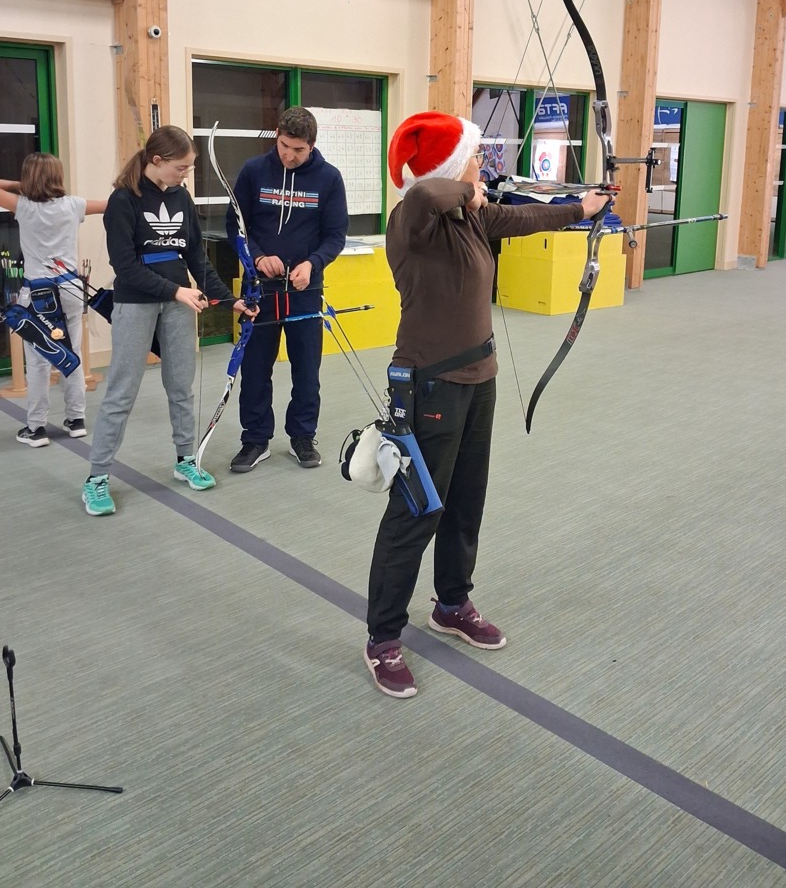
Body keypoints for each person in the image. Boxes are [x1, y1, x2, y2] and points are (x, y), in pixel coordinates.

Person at [364, 111, 604, 698]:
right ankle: (383, 638)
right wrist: (468, 189)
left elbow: (522, 216)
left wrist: (582, 207)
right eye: (473, 157)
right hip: (430, 384)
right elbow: (426, 192)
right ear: (450, 168)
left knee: (466, 501)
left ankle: (452, 603)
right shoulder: (414, 219)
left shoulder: (471, 216)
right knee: (418, 509)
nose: (481, 166)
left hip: (480, 379)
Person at [81, 126, 256, 517]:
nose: (186, 174)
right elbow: (125, 267)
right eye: (181, 167)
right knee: (121, 392)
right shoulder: (123, 200)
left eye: (190, 167)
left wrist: (230, 300)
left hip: (178, 303)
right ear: (156, 161)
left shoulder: (181, 197)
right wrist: (177, 291)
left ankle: (185, 459)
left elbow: (196, 257)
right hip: (136, 303)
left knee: (181, 386)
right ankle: (96, 477)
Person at [225, 106, 347, 473]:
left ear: (313, 145)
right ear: (276, 135)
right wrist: (258, 257)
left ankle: (302, 436)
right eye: (283, 146)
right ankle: (255, 439)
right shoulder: (253, 171)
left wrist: (314, 263)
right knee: (255, 368)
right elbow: (235, 227)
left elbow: (335, 235)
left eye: (298, 150)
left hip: (305, 290)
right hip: (259, 289)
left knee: (307, 369)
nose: (289, 156)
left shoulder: (329, 178)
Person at [0, 155, 107, 447]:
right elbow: (110, 204)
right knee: (71, 352)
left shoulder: (23, 206)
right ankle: (76, 421)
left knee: (38, 361)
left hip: (38, 293)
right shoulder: (73, 205)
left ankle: (36, 428)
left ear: (28, 178)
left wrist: (18, 185)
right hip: (71, 289)